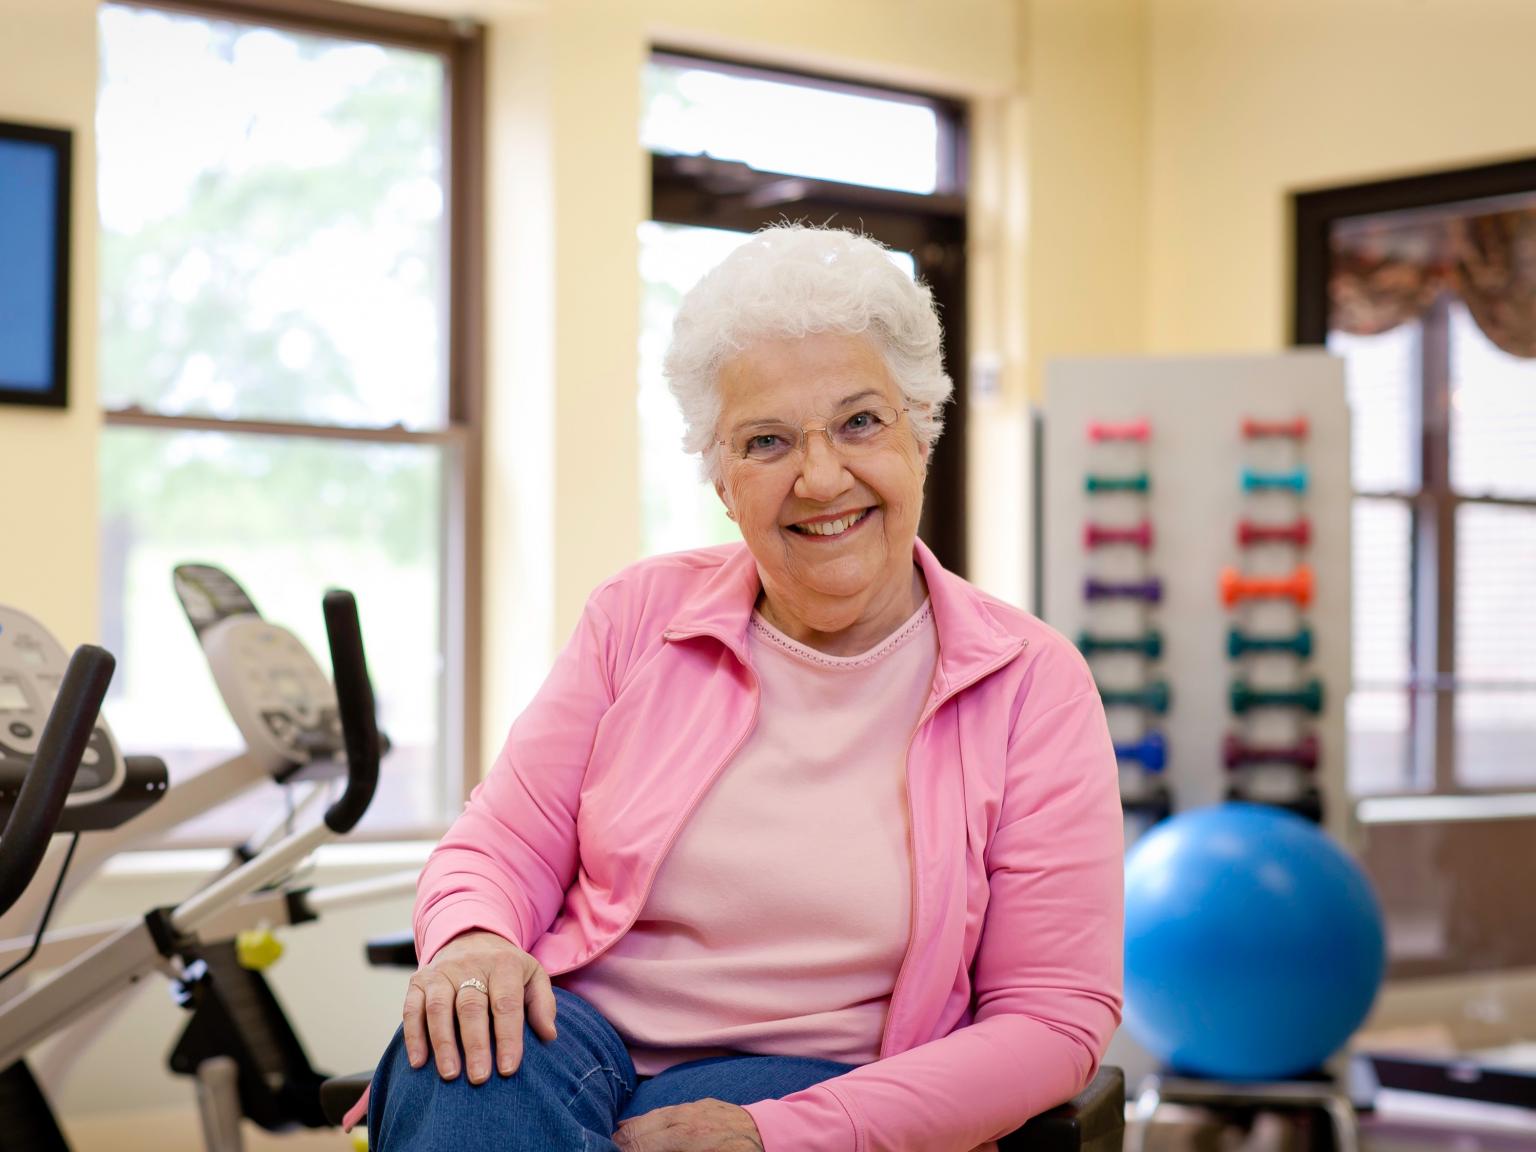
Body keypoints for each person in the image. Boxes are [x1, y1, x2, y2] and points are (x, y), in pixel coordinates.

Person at [362, 224, 1123, 1152]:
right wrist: (474, 938)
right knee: (465, 1059)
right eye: (766, 441)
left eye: (860, 422)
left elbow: (1053, 1019)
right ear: (723, 482)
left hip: (834, 1079)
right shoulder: (638, 614)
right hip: (582, 1040)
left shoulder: (1030, 682)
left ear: (921, 431)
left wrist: (775, 1134)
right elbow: (503, 841)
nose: (820, 476)